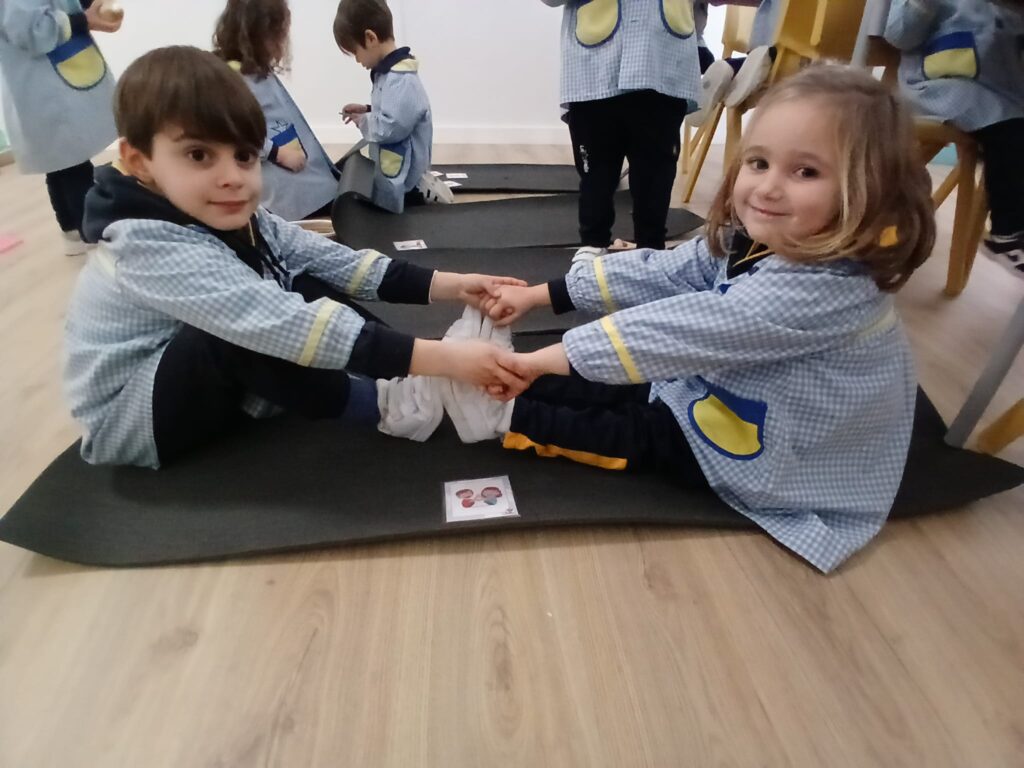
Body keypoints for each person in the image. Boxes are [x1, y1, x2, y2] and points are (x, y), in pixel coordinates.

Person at [447, 64, 937, 573]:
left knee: (648, 434)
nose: (768, 188)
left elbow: (679, 329)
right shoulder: (763, 237)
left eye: (806, 172)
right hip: (732, 385)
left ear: (868, 191)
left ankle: (507, 418)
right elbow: (667, 271)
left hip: (782, 447)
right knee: (627, 384)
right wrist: (543, 295)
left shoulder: (828, 285)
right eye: (759, 162)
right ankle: (502, 380)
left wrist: (540, 361)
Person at [63, 46, 525, 469]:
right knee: (254, 326)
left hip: (201, 384)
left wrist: (452, 285)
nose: (232, 177)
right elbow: (277, 321)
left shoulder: (234, 216)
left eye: (244, 156)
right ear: (140, 162)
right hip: (135, 420)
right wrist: (443, 359)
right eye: (199, 155)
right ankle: (391, 406)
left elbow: (332, 260)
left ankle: (402, 384)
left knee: (298, 279)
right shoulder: (143, 244)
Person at [539, 0, 701, 259]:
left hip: (662, 63)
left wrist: (700, 41)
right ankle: (593, 243)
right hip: (595, 69)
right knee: (596, 173)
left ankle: (651, 250)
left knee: (656, 174)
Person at [885, 0, 1024, 280]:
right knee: (1010, 129)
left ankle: (1011, 227)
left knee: (1009, 127)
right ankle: (1008, 231)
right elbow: (899, 35)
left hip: (1001, 91)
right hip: (940, 85)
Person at [0, 0, 121, 255]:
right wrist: (82, 20)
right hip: (45, 85)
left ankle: (73, 231)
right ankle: (93, 234)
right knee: (72, 164)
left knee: (61, 164)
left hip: (51, 80)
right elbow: (31, 29)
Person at [212, 0, 339, 222]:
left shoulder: (255, 70)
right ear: (260, 35)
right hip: (290, 191)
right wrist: (277, 154)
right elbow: (231, 132)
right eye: (279, 35)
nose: (283, 42)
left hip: (306, 177)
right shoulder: (231, 79)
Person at [332, 0, 451, 213]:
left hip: (407, 178)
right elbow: (391, 109)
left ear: (371, 38)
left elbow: (392, 127)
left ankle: (421, 198)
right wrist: (367, 110)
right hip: (393, 163)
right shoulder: (389, 75)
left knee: (395, 205)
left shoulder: (401, 80)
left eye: (356, 52)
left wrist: (363, 121)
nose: (357, 60)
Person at [686, 0, 780, 128]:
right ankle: (750, 70)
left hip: (771, 41)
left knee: (766, 55)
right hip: (798, 51)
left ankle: (733, 68)